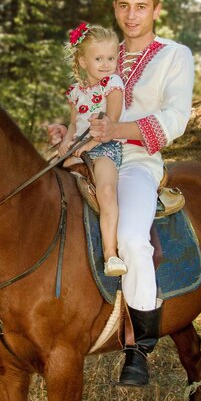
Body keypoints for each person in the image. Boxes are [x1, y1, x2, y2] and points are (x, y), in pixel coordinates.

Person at [48, 0, 194, 386]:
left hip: (136, 158)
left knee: (131, 237)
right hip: (84, 151)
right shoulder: (100, 51)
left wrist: (116, 131)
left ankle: (138, 347)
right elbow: (86, 106)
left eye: (141, 6)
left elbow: (174, 120)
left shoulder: (173, 55)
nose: (132, 15)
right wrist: (67, 131)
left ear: (156, 10)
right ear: (115, 9)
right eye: (124, 6)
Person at [59, 23, 126, 277]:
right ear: (82, 61)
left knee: (106, 190)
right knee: (50, 180)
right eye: (99, 58)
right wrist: (67, 139)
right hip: (78, 148)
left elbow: (112, 121)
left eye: (111, 58)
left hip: (105, 148)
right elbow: (75, 122)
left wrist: (90, 145)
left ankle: (110, 253)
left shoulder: (113, 85)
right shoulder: (76, 92)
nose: (107, 64)